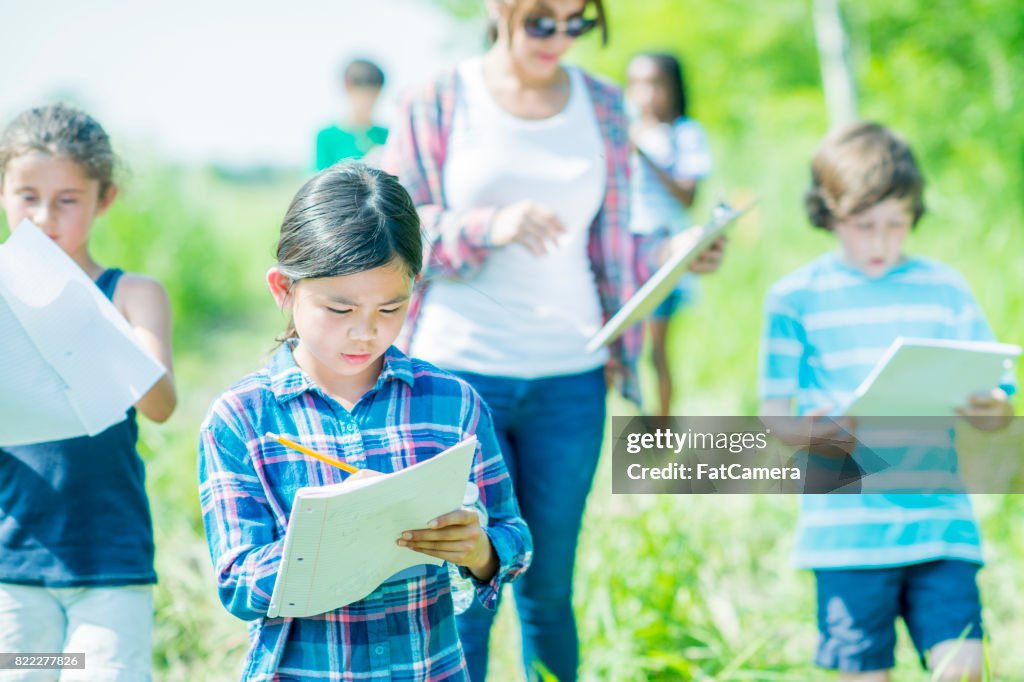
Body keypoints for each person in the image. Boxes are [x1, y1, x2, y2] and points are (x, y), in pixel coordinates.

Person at [382, 1, 722, 678]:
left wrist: (677, 250)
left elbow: (619, 237)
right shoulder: (438, 99)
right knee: (462, 585)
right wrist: (489, 224)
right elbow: (396, 231)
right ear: (499, 9)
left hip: (572, 375)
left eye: (578, 23)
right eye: (543, 20)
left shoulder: (603, 103)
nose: (560, 38)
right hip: (459, 374)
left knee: (548, 586)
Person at [197, 162, 532, 680]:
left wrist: (480, 550)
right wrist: (331, 537)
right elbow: (238, 583)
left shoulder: (453, 404)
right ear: (284, 289)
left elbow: (513, 537)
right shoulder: (241, 419)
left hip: (430, 667)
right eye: (339, 309)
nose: (365, 333)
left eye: (389, 309)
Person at [758, 122, 1014, 682]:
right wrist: (814, 431)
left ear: (915, 214)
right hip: (845, 531)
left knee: (965, 667)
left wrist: (990, 409)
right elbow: (775, 414)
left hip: (940, 521)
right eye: (863, 225)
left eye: (896, 224)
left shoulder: (944, 287)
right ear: (827, 213)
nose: (880, 242)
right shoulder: (795, 298)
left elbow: (994, 396)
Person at [0, 104, 177, 680]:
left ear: (105, 199)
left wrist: (83, 314)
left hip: (110, 559)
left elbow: (160, 403)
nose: (44, 217)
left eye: (68, 199)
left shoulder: (130, 293)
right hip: (16, 561)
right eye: (27, 195)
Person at [625, 52, 712, 418]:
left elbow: (689, 196)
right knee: (625, 348)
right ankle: (640, 418)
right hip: (625, 251)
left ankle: (661, 428)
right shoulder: (625, 129)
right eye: (638, 84)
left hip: (665, 253)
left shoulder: (685, 133)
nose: (647, 94)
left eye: (656, 83)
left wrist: (644, 156)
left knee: (655, 349)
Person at [315, 58, 389, 169]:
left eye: (374, 95)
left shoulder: (387, 135)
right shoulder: (327, 137)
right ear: (347, 86)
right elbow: (318, 182)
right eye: (363, 94)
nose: (368, 102)